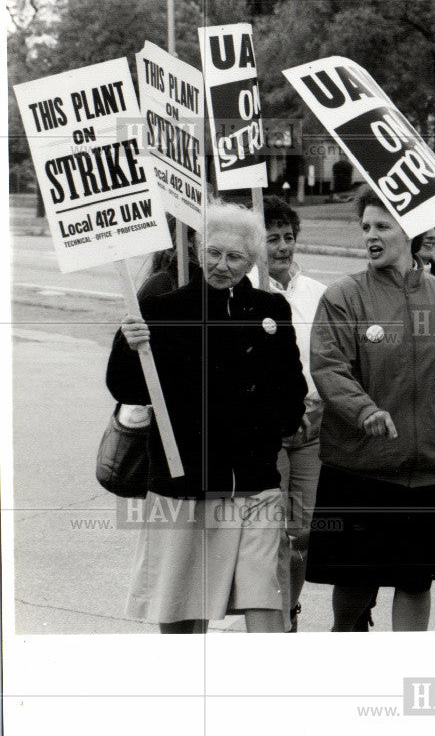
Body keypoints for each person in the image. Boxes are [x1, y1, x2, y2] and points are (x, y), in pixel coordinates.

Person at [107, 201, 307, 633]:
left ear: (252, 259)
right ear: (198, 251)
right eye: (213, 252)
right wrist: (128, 343)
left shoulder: (272, 310)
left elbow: (293, 388)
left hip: (255, 484)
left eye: (234, 256)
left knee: (264, 598)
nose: (222, 264)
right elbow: (127, 389)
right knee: (180, 608)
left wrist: (276, 430)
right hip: (186, 484)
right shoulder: (163, 309)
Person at [307, 189, 435, 631]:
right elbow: (328, 366)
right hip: (362, 469)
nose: (371, 237)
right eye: (366, 228)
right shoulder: (344, 296)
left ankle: (404, 670)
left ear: (409, 231)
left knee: (415, 581)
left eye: (383, 227)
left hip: (432, 470)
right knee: (356, 580)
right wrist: (364, 411)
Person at [259, 197, 329, 632]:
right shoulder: (247, 294)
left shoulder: (320, 294)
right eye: (272, 238)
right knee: (271, 536)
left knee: (302, 534)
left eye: (288, 237)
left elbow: (332, 359)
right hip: (267, 431)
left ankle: (292, 610)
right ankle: (276, 621)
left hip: (314, 429)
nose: (283, 247)